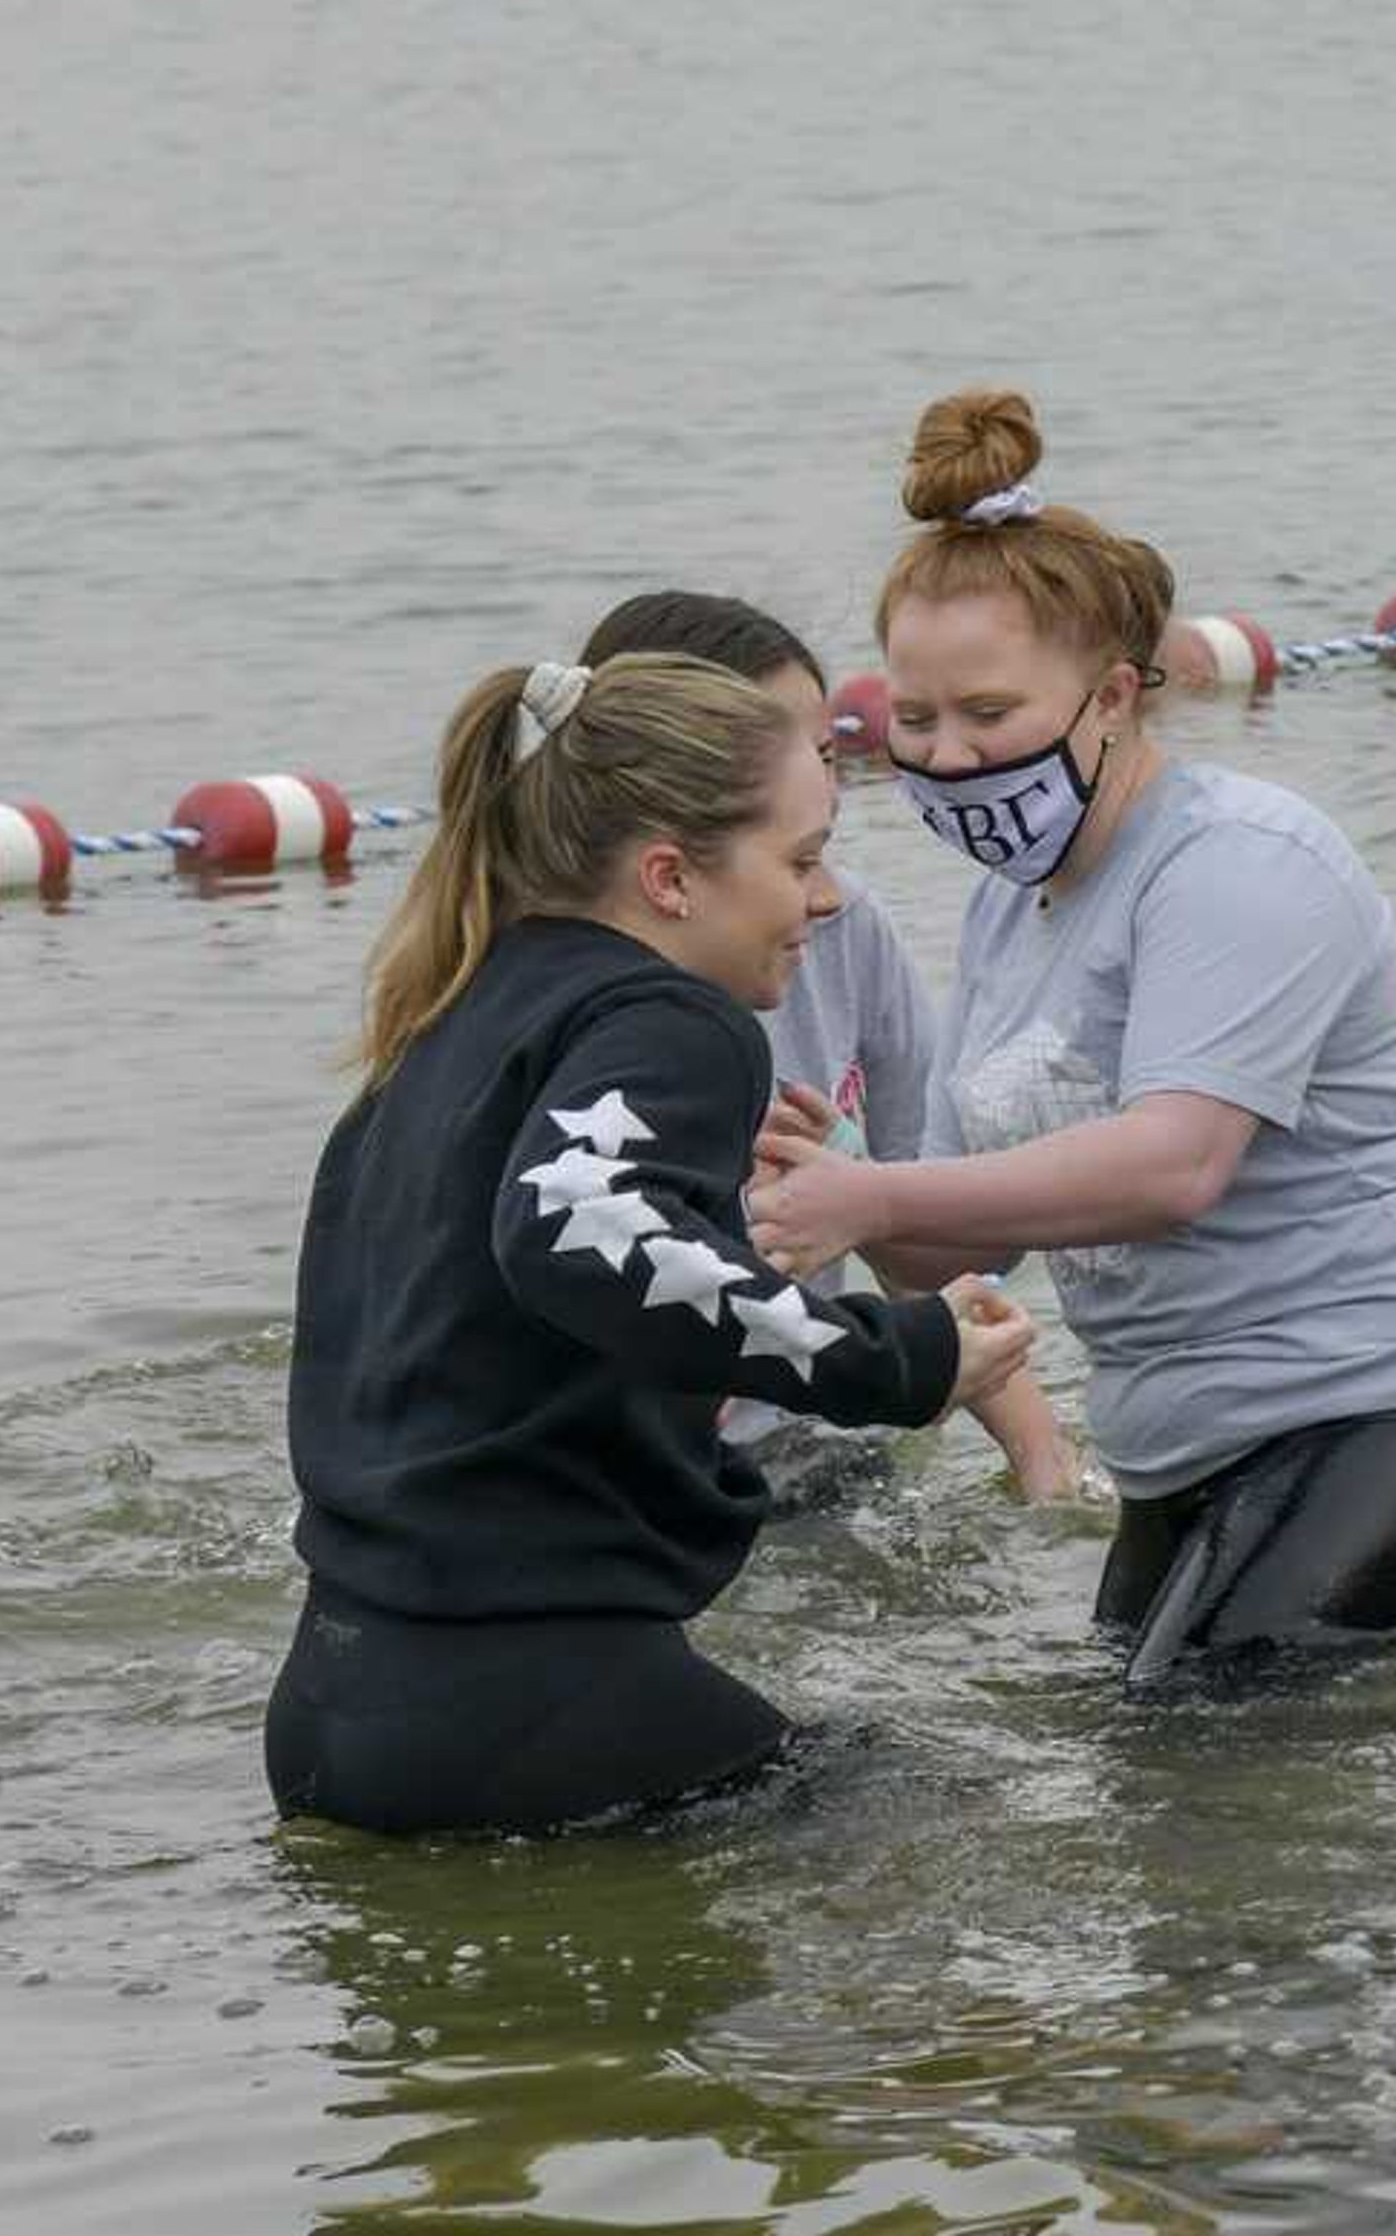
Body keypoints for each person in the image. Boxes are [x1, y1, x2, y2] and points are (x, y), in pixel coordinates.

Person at [744, 388, 1396, 1687]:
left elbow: (1175, 1166)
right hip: (1185, 1448)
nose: (949, 759)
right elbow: (950, 1248)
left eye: (991, 715)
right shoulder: (1013, 908)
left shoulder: (1239, 863)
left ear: (1114, 695)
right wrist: (812, 1184)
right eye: (915, 720)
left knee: (1209, 1769)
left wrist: (873, 1186)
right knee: (1142, 1764)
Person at [270, 652, 1038, 1834]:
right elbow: (575, 1228)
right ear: (670, 876)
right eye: (799, 858)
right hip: (519, 1701)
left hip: (332, 1696)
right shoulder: (674, 1019)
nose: (825, 898)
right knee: (962, 1822)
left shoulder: (452, 1008)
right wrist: (895, 1358)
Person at [581, 589, 1076, 1509]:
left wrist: (1046, 1461)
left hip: (803, 1435)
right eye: (789, 760)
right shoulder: (574, 1015)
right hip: (610, 1475)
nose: (826, 792)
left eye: (827, 751)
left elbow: (918, 1237)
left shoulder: (847, 932)